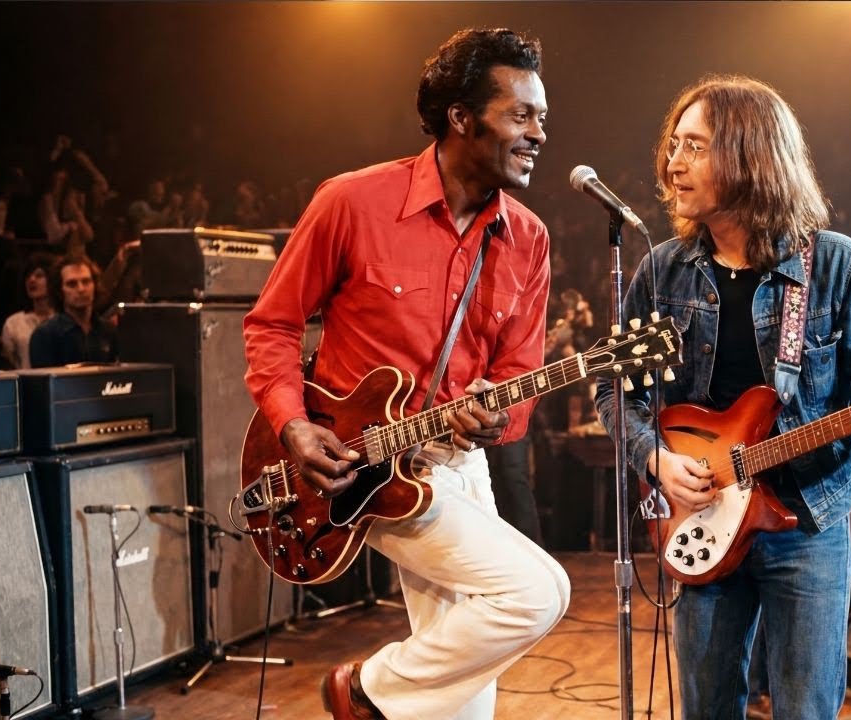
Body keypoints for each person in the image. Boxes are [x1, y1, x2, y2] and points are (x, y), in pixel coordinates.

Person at [242, 28, 568, 720]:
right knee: (535, 593)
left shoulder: (529, 240)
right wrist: (293, 426)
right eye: (521, 115)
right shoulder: (351, 202)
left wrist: (494, 413)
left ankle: (377, 696)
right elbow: (271, 325)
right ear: (461, 117)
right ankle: (363, 691)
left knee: (465, 689)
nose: (539, 133)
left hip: (457, 464)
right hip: (353, 467)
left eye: (542, 116)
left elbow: (519, 375)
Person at [595, 75, 851, 719]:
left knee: (805, 708)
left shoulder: (836, 265)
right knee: (707, 707)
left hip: (809, 523)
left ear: (750, 156)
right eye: (674, 144)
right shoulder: (662, 270)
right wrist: (656, 459)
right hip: (701, 515)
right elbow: (613, 387)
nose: (673, 162)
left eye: (695, 147)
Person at [28, 254, 116, 368]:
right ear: (60, 291)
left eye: (86, 281)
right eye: (72, 284)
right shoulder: (45, 335)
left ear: (95, 285)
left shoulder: (108, 331)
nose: (81, 289)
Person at [1, 252, 57, 369]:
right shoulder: (13, 323)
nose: (32, 280)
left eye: (39, 275)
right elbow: (8, 366)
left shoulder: (63, 319)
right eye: (28, 276)